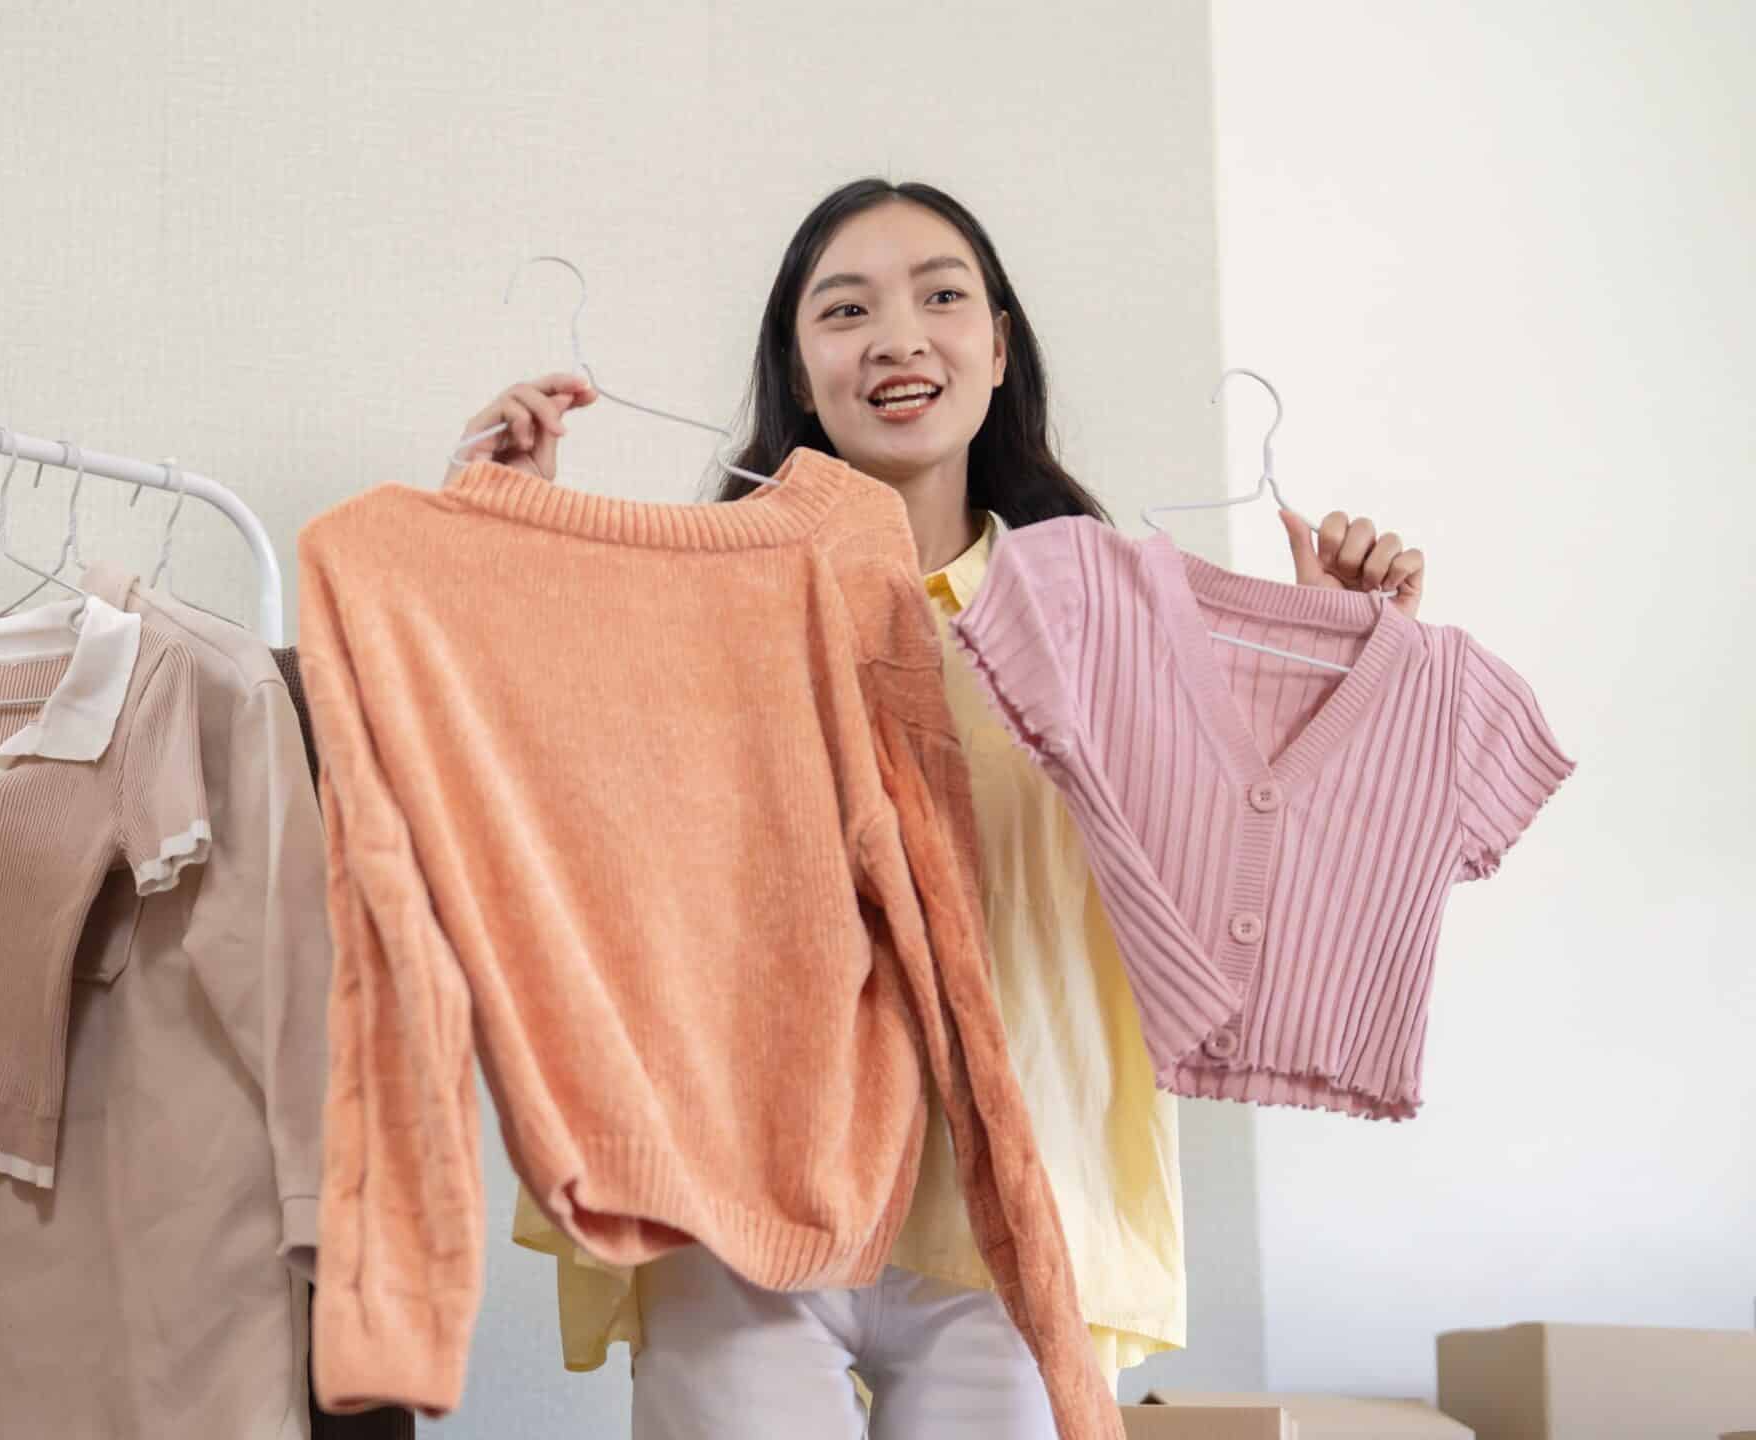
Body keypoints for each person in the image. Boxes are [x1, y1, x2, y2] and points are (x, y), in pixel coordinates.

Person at [458, 178, 1426, 1438]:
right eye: (845, 308)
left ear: (998, 344)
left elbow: (1267, 892)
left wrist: (1322, 654)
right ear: (801, 373)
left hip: (1020, 1203)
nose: (899, 336)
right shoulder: (697, 601)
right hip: (752, 1188)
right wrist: (502, 540)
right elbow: (533, 804)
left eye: (941, 296)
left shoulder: (1121, 628)